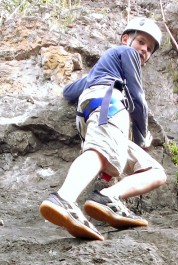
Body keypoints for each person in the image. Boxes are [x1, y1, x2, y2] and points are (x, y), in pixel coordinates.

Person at [39, 17, 167, 241]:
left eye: (149, 49)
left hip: (97, 112)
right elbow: (138, 99)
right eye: (141, 42)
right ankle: (64, 198)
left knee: (156, 172)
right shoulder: (125, 53)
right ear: (125, 39)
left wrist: (92, 76)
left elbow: (69, 92)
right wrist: (141, 137)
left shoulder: (100, 71)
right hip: (109, 106)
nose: (144, 50)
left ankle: (109, 197)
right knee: (99, 151)